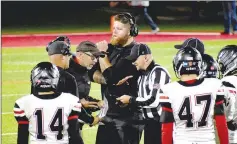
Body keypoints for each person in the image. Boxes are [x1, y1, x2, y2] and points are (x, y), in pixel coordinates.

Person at [92, 12, 145, 144]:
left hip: (129, 119)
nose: (114, 32)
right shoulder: (110, 48)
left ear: (131, 31)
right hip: (107, 115)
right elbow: (91, 73)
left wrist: (102, 55)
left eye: (119, 29)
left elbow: (113, 77)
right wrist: (108, 79)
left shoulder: (138, 51)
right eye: (114, 28)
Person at [159, 48, 229, 144]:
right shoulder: (214, 85)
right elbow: (221, 123)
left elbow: (167, 129)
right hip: (207, 141)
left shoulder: (169, 90)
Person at [14, 62, 83, 144]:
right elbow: (74, 135)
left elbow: (22, 138)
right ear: (56, 79)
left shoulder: (23, 103)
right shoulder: (71, 100)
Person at [116, 44, 171, 144]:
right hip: (149, 124)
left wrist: (130, 100)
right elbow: (142, 100)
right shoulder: (141, 76)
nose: (133, 62)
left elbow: (154, 101)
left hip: (162, 124)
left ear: (146, 57)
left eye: (135, 59)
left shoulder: (158, 72)